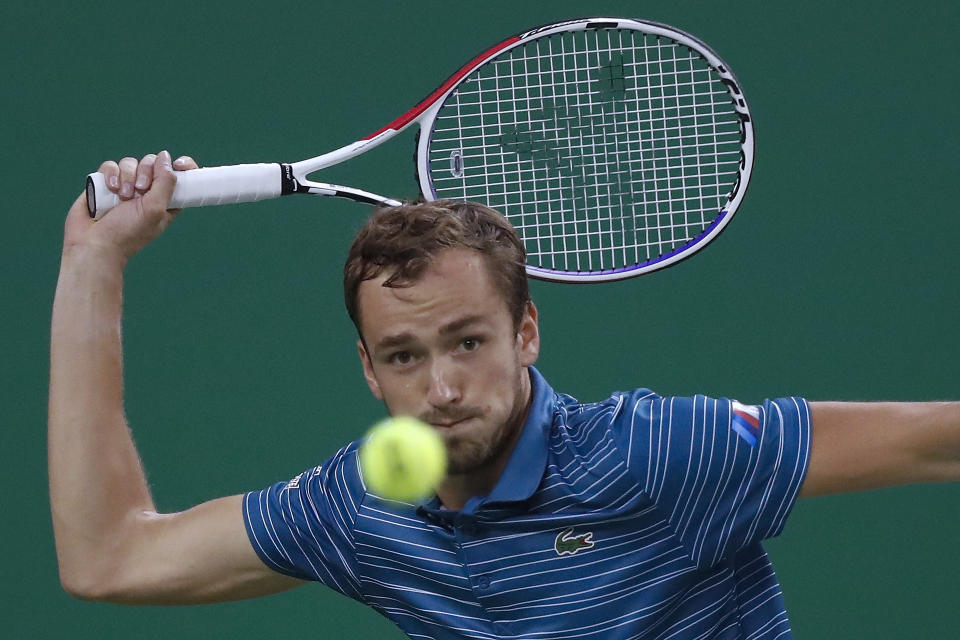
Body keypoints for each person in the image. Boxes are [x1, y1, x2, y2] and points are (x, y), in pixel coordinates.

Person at [50, 151, 960, 638]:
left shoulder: (650, 456)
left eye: (469, 341)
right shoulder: (362, 513)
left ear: (527, 333)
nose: (442, 388)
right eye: (403, 357)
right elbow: (109, 560)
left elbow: (938, 441)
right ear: (367, 370)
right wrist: (93, 259)